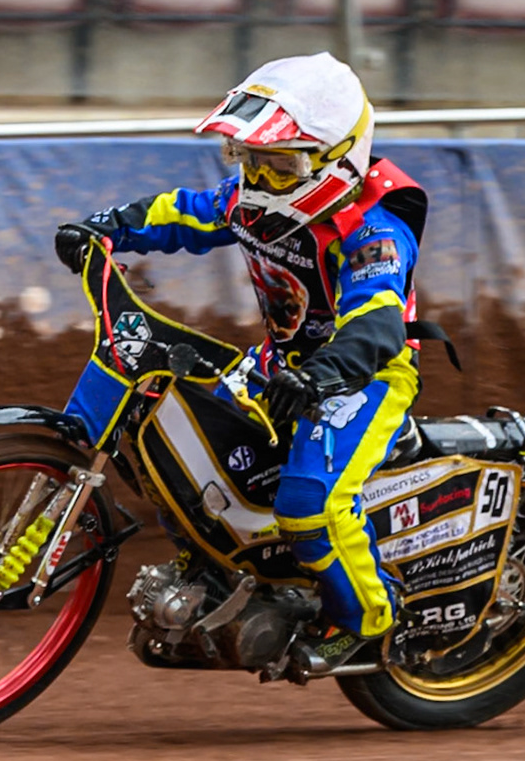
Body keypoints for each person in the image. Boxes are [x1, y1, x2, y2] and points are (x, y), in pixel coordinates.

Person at [56, 52, 428, 671]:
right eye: (249, 159)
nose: (259, 178)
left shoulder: (374, 229)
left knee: (308, 505)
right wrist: (105, 227)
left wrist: (321, 375)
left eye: (279, 164)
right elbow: (185, 212)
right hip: (280, 362)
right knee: (173, 439)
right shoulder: (256, 198)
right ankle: (213, 559)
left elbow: (379, 323)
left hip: (362, 377)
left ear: (338, 159)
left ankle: (366, 618)